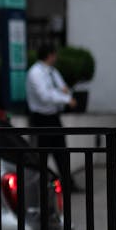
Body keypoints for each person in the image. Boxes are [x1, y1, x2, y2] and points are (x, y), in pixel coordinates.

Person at [25, 42, 78, 192]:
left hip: (53, 116)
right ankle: (40, 186)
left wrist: (65, 95)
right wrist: (66, 99)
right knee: (42, 154)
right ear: (49, 55)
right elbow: (44, 96)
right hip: (41, 117)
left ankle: (68, 183)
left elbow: (64, 88)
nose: (56, 57)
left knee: (61, 151)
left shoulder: (53, 72)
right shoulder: (35, 73)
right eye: (54, 54)